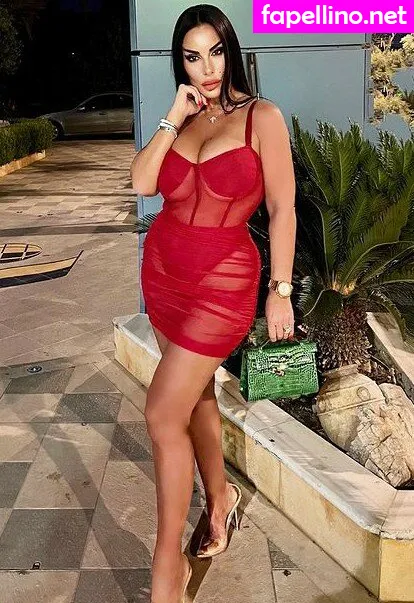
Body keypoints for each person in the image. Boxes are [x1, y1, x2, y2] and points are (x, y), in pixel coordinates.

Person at [130, 4, 296, 602]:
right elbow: (142, 184)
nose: (207, 68)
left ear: (232, 51)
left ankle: (167, 566)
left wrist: (280, 290)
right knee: (195, 396)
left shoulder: (262, 118)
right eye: (192, 56)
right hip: (164, 278)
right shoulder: (181, 119)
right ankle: (220, 498)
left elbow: (282, 208)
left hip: (223, 287)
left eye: (216, 52)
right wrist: (173, 117)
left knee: (160, 414)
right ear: (181, 62)